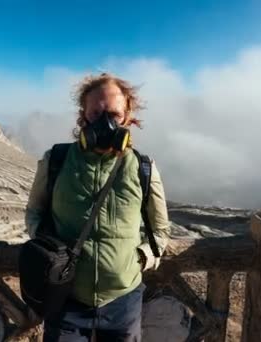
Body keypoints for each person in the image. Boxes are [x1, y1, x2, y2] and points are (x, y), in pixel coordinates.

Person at [25, 73, 170, 342]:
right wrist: (48, 253)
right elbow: (34, 212)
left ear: (127, 116)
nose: (105, 123)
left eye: (114, 115)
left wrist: (141, 258)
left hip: (122, 299)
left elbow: (160, 230)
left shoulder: (143, 167)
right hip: (65, 297)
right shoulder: (56, 160)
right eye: (96, 113)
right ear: (84, 115)